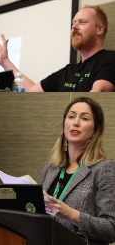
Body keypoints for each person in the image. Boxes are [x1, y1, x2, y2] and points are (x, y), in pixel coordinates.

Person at [40, 97, 115, 245]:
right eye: (71, 116)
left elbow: (111, 229)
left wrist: (72, 215)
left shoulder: (104, 168)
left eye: (85, 118)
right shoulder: (50, 168)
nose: (76, 122)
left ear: (97, 128)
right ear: (64, 124)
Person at [0, 5, 115, 92]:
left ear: (99, 29)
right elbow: (32, 90)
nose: (74, 26)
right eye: (73, 23)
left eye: (82, 22)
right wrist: (5, 62)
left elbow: (99, 92)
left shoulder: (109, 59)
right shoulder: (67, 72)